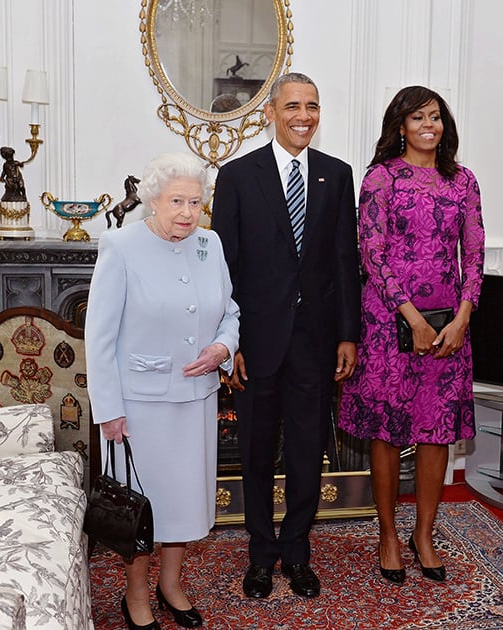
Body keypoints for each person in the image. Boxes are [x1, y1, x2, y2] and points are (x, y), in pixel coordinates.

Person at [211, 72, 361, 599]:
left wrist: (348, 335)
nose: (304, 115)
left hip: (316, 344)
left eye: (313, 106)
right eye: (294, 105)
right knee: (254, 452)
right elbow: (224, 269)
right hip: (256, 342)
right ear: (270, 113)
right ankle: (260, 554)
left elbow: (346, 261)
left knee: (306, 451)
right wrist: (231, 342)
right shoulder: (237, 176)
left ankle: (297, 552)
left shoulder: (336, 175)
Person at [86, 152, 240, 630]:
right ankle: (135, 593)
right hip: (140, 406)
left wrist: (222, 348)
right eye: (177, 201)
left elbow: (230, 312)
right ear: (152, 198)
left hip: (196, 401)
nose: (187, 213)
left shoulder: (209, 244)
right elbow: (100, 335)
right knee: (142, 506)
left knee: (184, 504)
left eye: (196, 202)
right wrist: (109, 411)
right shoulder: (120, 245)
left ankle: (171, 584)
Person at [338, 85, 484, 585]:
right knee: (387, 428)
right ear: (399, 125)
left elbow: (475, 254)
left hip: (450, 325)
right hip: (386, 320)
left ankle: (424, 533)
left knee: (436, 429)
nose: (430, 125)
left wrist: (463, 316)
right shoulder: (380, 179)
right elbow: (371, 253)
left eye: (436, 117)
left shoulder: (463, 181)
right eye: (418, 117)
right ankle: (387, 534)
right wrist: (412, 318)